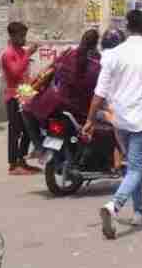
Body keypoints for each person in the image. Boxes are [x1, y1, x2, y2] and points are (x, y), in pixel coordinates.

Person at [87, 8, 142, 240]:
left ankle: (139, 211)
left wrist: (89, 119)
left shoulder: (113, 55)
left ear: (127, 27)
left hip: (119, 120)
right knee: (136, 169)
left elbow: (99, 92)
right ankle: (114, 206)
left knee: (130, 166)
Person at [24, 29, 102, 168]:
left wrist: (33, 88)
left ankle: (39, 147)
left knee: (26, 109)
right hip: (79, 108)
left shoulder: (69, 54)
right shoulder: (97, 65)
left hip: (55, 103)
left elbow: (49, 70)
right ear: (96, 44)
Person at [0, 21, 36, 173]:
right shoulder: (8, 54)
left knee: (30, 129)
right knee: (15, 130)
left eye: (24, 36)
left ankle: (22, 159)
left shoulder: (21, 51)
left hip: (25, 92)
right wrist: (28, 55)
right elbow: (15, 73)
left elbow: (25, 74)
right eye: (21, 36)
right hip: (14, 94)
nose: (24, 39)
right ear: (13, 36)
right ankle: (13, 164)